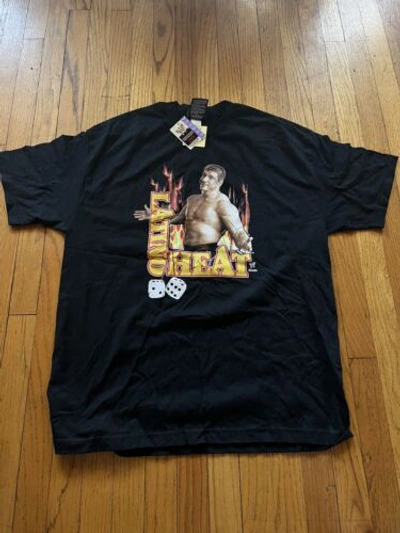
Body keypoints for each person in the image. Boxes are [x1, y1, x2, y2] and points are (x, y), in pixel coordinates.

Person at [134, 164, 253, 256]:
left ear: (220, 182)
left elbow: (237, 231)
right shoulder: (192, 199)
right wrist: (157, 216)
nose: (204, 179)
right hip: (187, 249)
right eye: (204, 175)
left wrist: (244, 243)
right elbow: (180, 218)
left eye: (210, 177)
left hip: (207, 251)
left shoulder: (223, 204)